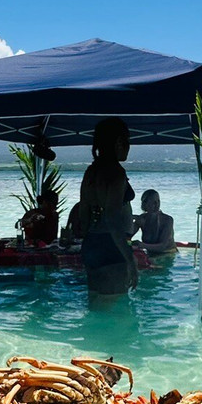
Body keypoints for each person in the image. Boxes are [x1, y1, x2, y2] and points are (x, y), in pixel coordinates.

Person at [78, 117, 137, 294]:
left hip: (91, 243)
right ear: (119, 142)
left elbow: (84, 212)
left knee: (96, 305)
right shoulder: (116, 172)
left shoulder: (91, 171)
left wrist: (89, 242)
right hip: (111, 246)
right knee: (119, 313)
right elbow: (112, 220)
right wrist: (130, 260)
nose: (128, 146)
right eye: (127, 140)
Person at [132, 189, 175, 254]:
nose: (157, 204)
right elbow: (128, 236)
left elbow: (163, 246)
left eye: (158, 201)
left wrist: (143, 245)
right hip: (151, 255)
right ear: (145, 204)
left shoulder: (167, 220)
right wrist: (131, 221)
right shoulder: (142, 219)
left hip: (168, 253)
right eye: (153, 202)